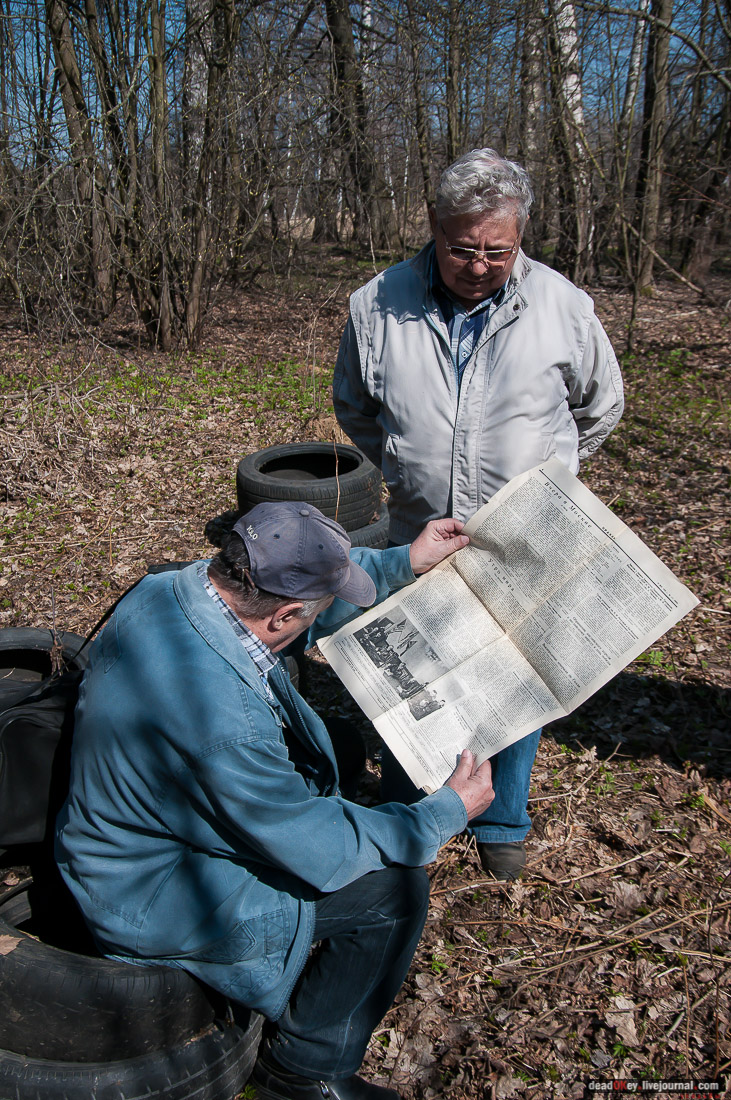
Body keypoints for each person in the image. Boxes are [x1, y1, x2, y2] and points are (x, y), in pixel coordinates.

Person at [55, 502, 495, 1100]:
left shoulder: (170, 587)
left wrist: (403, 562)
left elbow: (298, 591)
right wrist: (442, 813)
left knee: (333, 748)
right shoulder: (224, 723)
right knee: (393, 890)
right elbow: (318, 846)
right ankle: (305, 1071)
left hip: (119, 828)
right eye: (307, 614)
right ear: (284, 616)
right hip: (146, 891)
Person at [332, 147, 624, 881]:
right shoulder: (378, 303)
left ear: (520, 234)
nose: (480, 264)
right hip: (419, 530)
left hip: (524, 535)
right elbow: (355, 407)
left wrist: (548, 474)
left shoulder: (562, 305)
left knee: (514, 680)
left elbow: (599, 406)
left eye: (500, 249)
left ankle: (501, 816)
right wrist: (406, 462)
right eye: (463, 248)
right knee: (413, 681)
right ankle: (411, 815)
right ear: (432, 224)